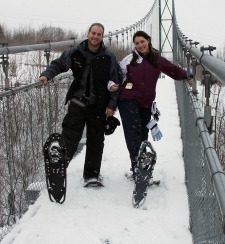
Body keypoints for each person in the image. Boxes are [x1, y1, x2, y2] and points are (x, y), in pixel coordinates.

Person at [38, 23, 122, 186]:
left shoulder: (109, 57)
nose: (95, 36)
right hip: (78, 101)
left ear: (102, 37)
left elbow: (116, 82)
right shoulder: (76, 52)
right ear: (88, 33)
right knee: (69, 137)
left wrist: (112, 106)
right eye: (93, 33)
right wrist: (46, 75)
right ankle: (59, 171)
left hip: (98, 105)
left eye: (99, 34)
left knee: (96, 141)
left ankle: (91, 175)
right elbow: (58, 64)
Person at [117, 30, 193, 177]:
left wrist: (187, 75)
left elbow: (173, 70)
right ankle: (137, 167)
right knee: (134, 131)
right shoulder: (129, 60)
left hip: (145, 103)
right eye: (137, 43)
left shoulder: (157, 59)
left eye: (142, 42)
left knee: (143, 135)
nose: (140, 45)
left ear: (148, 41)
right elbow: (116, 77)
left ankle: (142, 165)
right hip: (127, 99)